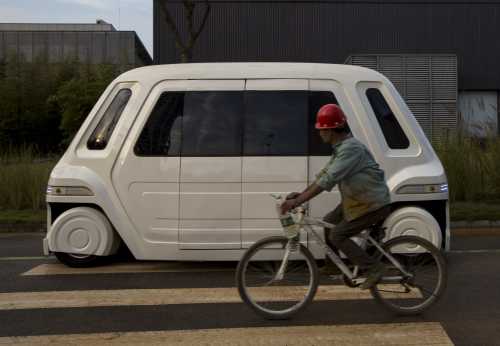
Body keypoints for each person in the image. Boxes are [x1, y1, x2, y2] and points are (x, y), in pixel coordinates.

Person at [280, 104, 391, 289]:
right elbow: (323, 176)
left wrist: (298, 202)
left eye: (321, 130)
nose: (319, 133)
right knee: (328, 221)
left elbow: (327, 181)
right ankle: (333, 266)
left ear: (331, 130)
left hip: (372, 204)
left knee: (338, 234)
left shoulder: (351, 149)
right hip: (357, 201)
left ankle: (374, 269)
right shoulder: (341, 148)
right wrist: (301, 194)